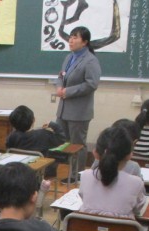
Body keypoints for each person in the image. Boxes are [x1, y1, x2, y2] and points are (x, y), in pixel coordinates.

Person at [55, 26, 101, 179]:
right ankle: (66, 172)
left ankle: (77, 175)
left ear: (85, 42)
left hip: (79, 111)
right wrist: (59, 87)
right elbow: (61, 76)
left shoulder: (90, 60)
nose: (71, 40)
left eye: (75, 37)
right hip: (63, 109)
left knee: (77, 145)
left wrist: (67, 91)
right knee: (63, 142)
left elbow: (91, 84)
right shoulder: (69, 57)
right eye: (70, 37)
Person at [79, 126, 146, 219]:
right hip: (122, 228)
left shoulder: (85, 176)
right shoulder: (136, 183)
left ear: (95, 153)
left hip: (85, 227)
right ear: (129, 155)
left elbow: (83, 198)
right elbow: (138, 209)